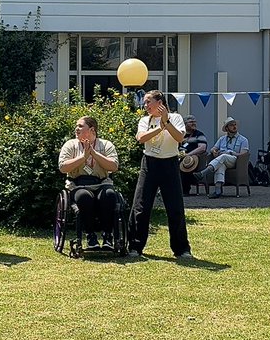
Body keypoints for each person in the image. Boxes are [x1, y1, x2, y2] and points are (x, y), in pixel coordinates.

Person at [128, 90, 192, 259]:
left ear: (160, 102)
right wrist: (159, 129)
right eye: (145, 102)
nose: (146, 105)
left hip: (169, 164)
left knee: (175, 207)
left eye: (149, 102)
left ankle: (182, 249)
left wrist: (166, 122)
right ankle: (135, 246)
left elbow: (179, 138)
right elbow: (141, 138)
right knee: (140, 206)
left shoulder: (176, 118)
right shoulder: (144, 120)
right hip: (149, 164)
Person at [58, 116, 121, 249]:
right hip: (78, 184)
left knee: (109, 195)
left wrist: (93, 153)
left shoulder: (106, 145)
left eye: (80, 126)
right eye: (77, 126)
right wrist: (83, 157)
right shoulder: (70, 145)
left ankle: (107, 236)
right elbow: (63, 167)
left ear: (92, 129)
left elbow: (113, 166)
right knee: (84, 197)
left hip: (102, 183)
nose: (77, 129)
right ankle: (90, 236)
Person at [194, 117, 250, 199]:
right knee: (220, 165)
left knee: (223, 156)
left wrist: (231, 152)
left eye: (235, 125)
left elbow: (243, 153)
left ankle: (203, 172)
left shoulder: (243, 139)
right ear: (227, 128)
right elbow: (213, 149)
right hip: (222, 160)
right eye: (231, 125)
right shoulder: (222, 139)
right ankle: (217, 191)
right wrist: (214, 152)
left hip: (235, 160)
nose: (234, 127)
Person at [179, 115, 208, 196]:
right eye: (191, 122)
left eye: (195, 122)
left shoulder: (199, 134)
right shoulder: (180, 134)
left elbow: (202, 148)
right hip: (179, 156)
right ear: (185, 124)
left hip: (193, 160)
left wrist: (188, 154)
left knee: (185, 163)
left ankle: (185, 191)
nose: (194, 123)